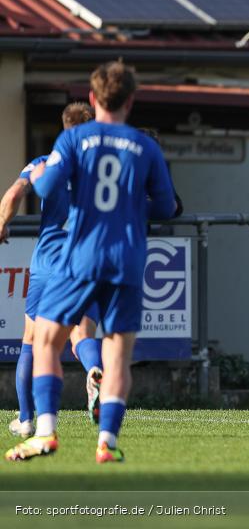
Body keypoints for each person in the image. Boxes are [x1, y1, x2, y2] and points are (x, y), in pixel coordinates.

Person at [5, 61, 177, 463]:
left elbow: (45, 185)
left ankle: (45, 432)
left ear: (95, 98)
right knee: (117, 354)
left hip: (79, 257)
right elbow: (167, 207)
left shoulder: (74, 139)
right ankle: (107, 443)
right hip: (128, 260)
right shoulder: (145, 146)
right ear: (131, 101)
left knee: (45, 342)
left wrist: (46, 170)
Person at [0, 102, 104, 438]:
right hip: (87, 263)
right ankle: (95, 370)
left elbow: (16, 192)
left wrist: (2, 223)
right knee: (81, 335)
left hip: (49, 262)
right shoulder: (102, 172)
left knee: (31, 338)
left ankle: (27, 419)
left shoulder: (45, 164)